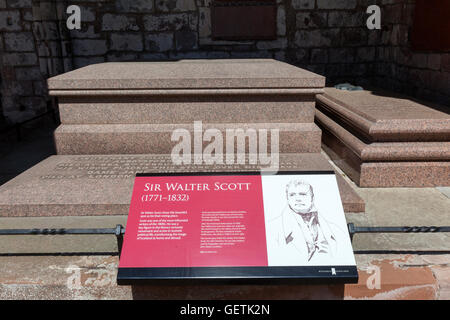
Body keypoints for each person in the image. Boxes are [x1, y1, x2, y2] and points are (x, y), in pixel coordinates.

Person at [267, 179, 345, 264]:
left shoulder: (335, 229)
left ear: (312, 198)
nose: (298, 199)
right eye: (292, 195)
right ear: (287, 199)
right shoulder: (272, 228)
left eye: (303, 194)